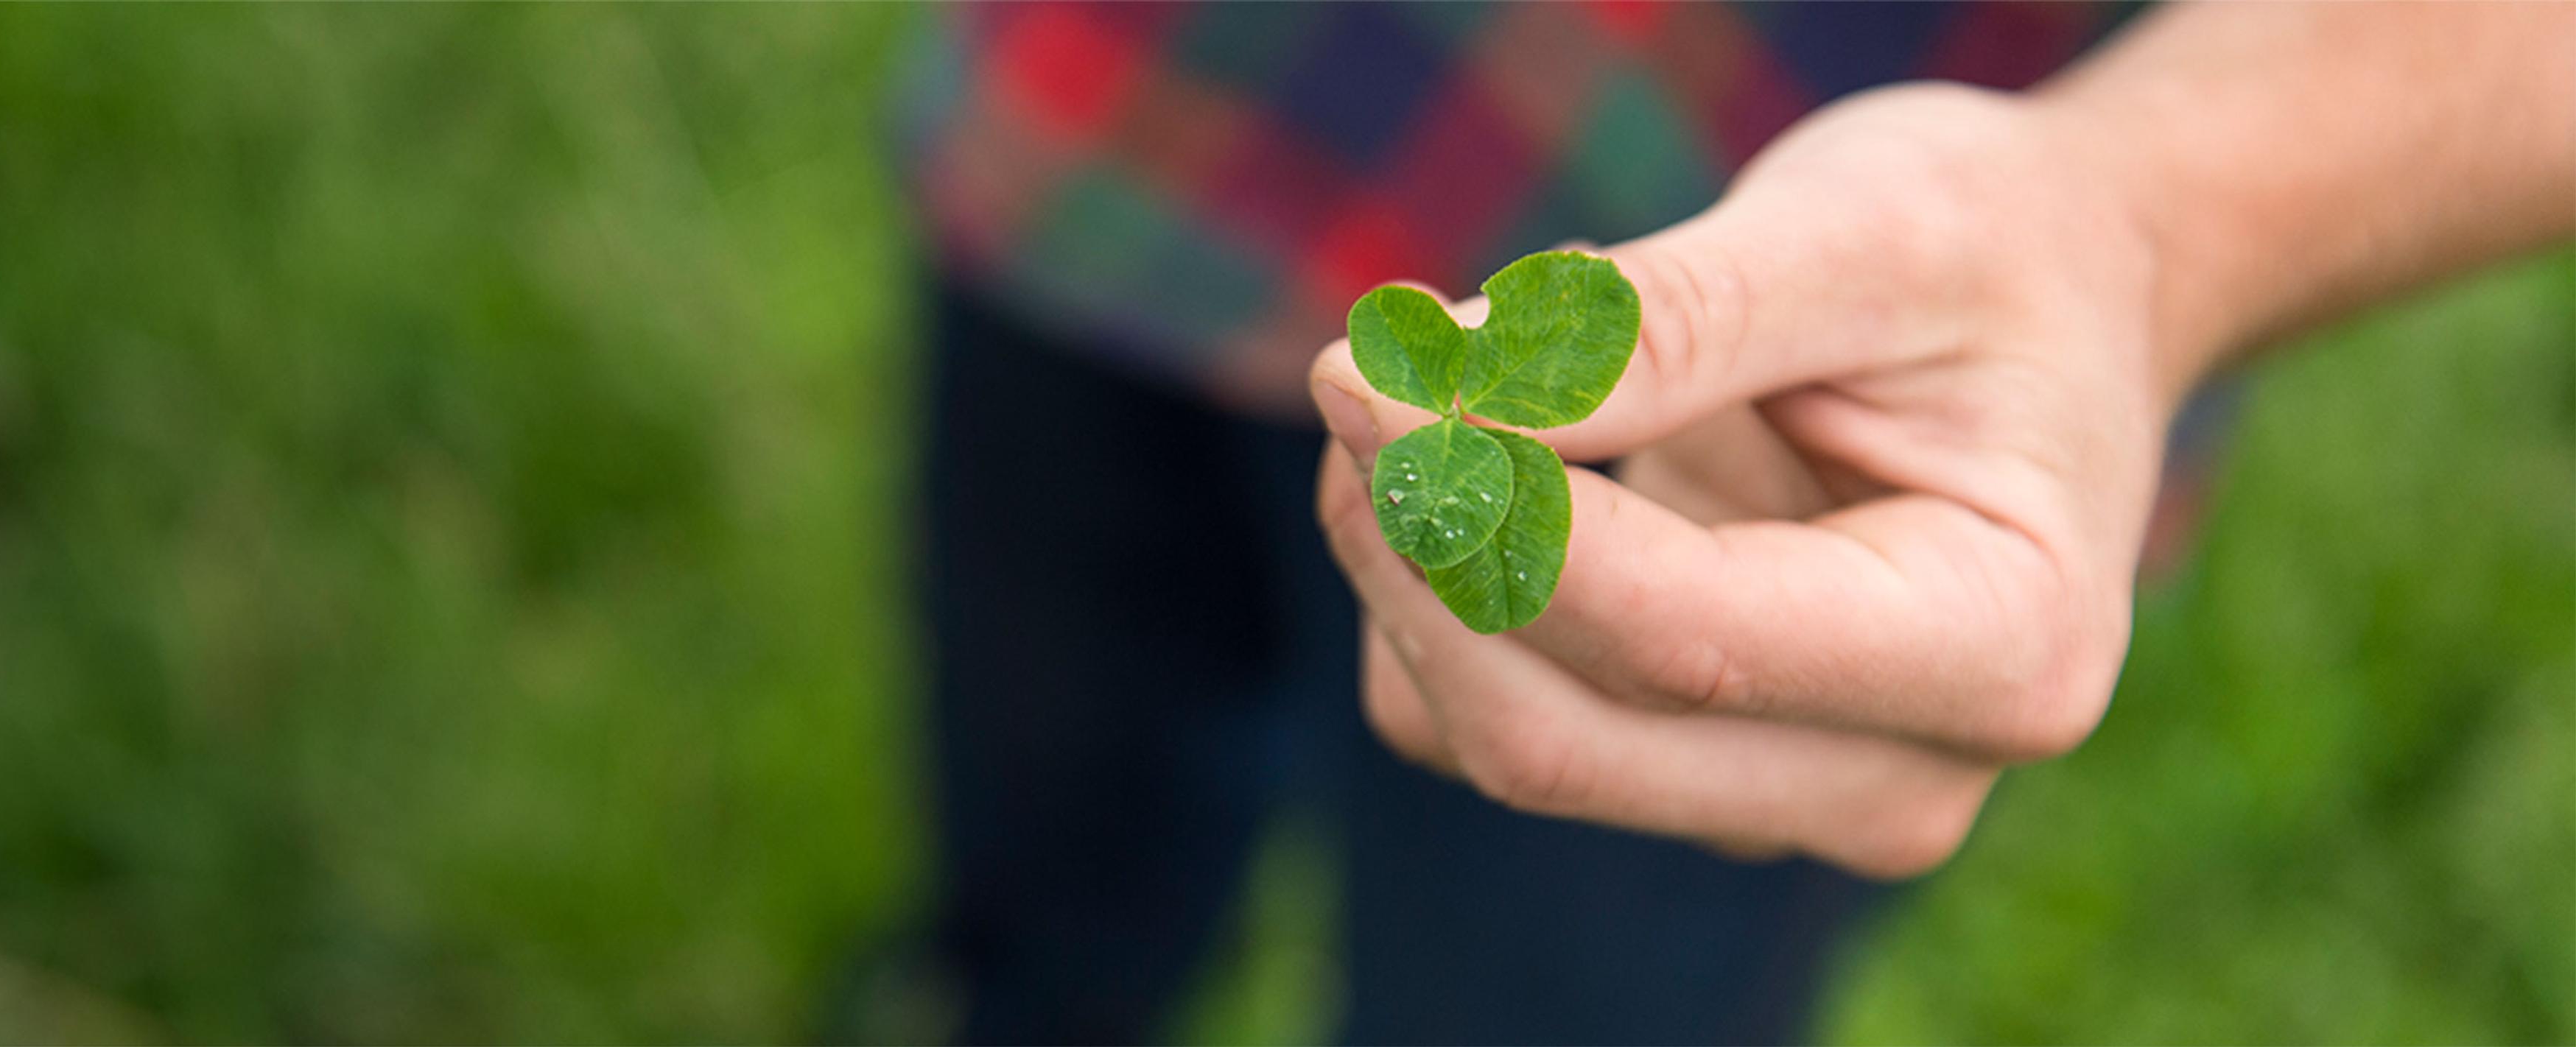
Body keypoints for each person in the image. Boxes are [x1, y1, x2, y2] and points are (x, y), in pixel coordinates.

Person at [890, 3, 2576, 1043]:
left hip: (1782, 403)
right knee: (1048, 804)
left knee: (1558, 986)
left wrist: (2148, 216)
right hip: (1129, 110)